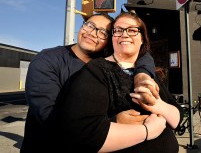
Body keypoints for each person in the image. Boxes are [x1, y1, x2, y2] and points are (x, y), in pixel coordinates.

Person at [21, 13, 158, 153]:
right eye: (90, 26)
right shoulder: (48, 60)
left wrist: (142, 75)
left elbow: (142, 53)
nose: (92, 33)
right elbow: (50, 118)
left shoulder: (104, 62)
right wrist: (112, 123)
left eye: (102, 33)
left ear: (109, 41)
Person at [55, 11, 183, 152]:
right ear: (112, 38)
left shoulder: (151, 74)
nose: (124, 34)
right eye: (118, 30)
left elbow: (177, 118)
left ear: (142, 39)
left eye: (132, 30)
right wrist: (147, 131)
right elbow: (84, 134)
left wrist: (158, 105)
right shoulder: (97, 70)